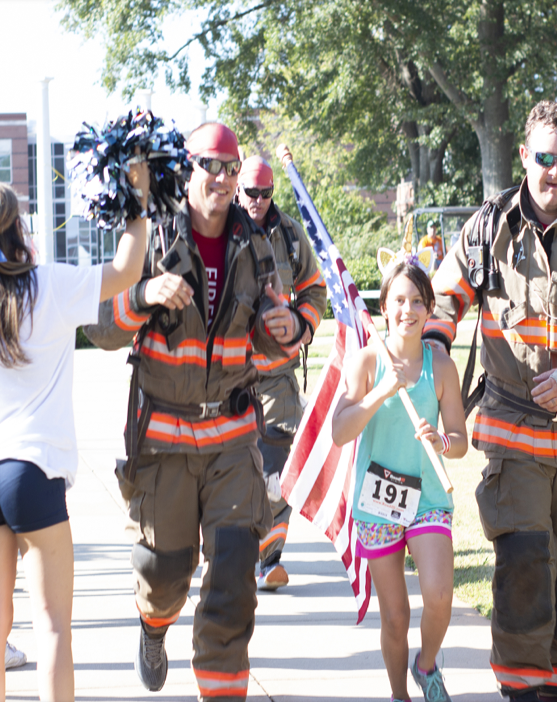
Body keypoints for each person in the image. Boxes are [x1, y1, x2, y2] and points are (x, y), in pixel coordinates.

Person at [422, 100, 557, 702]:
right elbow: (445, 298)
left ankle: (551, 685)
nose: (554, 172)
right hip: (513, 440)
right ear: (524, 156)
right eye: (543, 158)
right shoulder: (488, 227)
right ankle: (522, 693)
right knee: (522, 570)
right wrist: (431, 349)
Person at [83, 122, 300, 700]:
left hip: (231, 438)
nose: (225, 180)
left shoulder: (255, 246)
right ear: (189, 170)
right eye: (213, 166)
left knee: (233, 576)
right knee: (165, 572)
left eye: (233, 168)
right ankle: (153, 626)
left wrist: (289, 329)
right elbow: (99, 326)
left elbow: (277, 329)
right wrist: (142, 295)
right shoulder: (152, 238)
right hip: (165, 442)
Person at [0, 175, 149, 702]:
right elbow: (128, 270)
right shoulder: (49, 284)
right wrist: (138, 203)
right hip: (35, 472)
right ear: (19, 226)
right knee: (51, 628)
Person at [332, 259, 467, 702]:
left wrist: (442, 441)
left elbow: (462, 439)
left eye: (416, 301)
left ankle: (426, 665)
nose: (407, 310)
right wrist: (379, 392)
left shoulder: (441, 365)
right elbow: (339, 431)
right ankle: (399, 696)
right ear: (384, 308)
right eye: (398, 301)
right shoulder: (367, 362)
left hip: (427, 496)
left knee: (440, 593)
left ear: (429, 309)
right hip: (378, 503)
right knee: (395, 616)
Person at [235, 155, 327, 591]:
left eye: (265, 193)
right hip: (226, 378)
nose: (257, 201)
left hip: (277, 379)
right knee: (230, 469)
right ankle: (232, 552)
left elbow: (314, 287)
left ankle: (269, 560)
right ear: (237, 188)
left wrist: (303, 327)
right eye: (250, 192)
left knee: (278, 470)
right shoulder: (220, 231)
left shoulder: (289, 234)